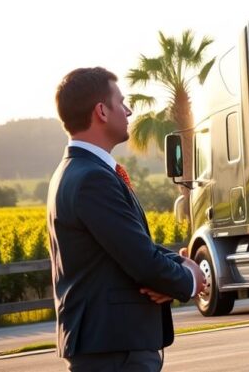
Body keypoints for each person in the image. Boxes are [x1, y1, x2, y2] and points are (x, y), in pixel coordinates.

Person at [47, 67, 206, 371]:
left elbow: (130, 245)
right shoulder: (92, 178)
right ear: (102, 112)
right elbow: (141, 262)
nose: (129, 110)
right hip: (115, 347)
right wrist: (189, 281)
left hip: (110, 344)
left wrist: (179, 265)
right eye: (121, 102)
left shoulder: (76, 172)